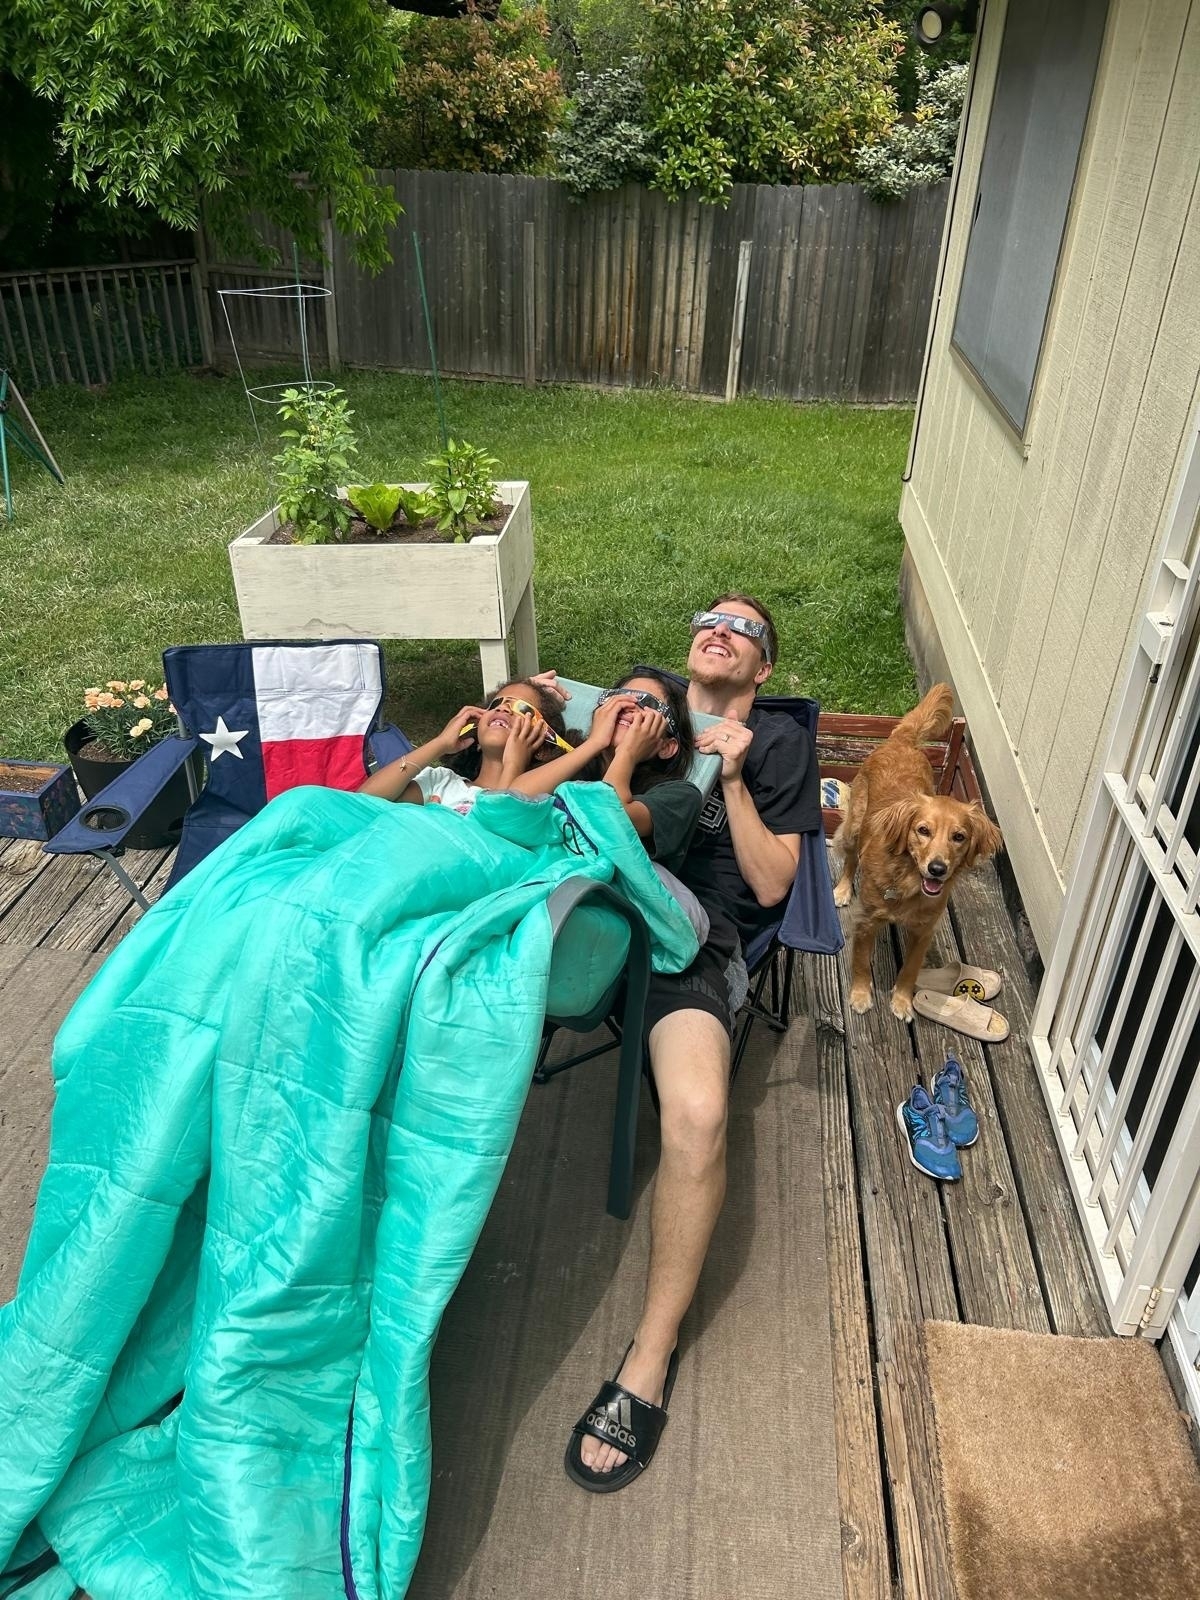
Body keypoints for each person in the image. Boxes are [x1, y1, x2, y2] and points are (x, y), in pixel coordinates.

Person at [562, 594, 821, 1493]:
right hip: (583, 899)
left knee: (701, 1114)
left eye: (745, 629)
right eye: (710, 618)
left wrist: (738, 776)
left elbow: (775, 884)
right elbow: (555, 714)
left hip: (693, 939)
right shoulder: (656, 703)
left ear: (764, 670)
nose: (721, 628)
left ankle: (651, 1351)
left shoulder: (781, 748)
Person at [359, 678, 575, 813]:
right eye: (496, 704)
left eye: (523, 709)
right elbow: (362, 801)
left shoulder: (537, 800)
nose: (504, 709)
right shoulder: (441, 781)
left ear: (545, 748)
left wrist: (514, 764)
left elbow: (501, 823)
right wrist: (440, 743)